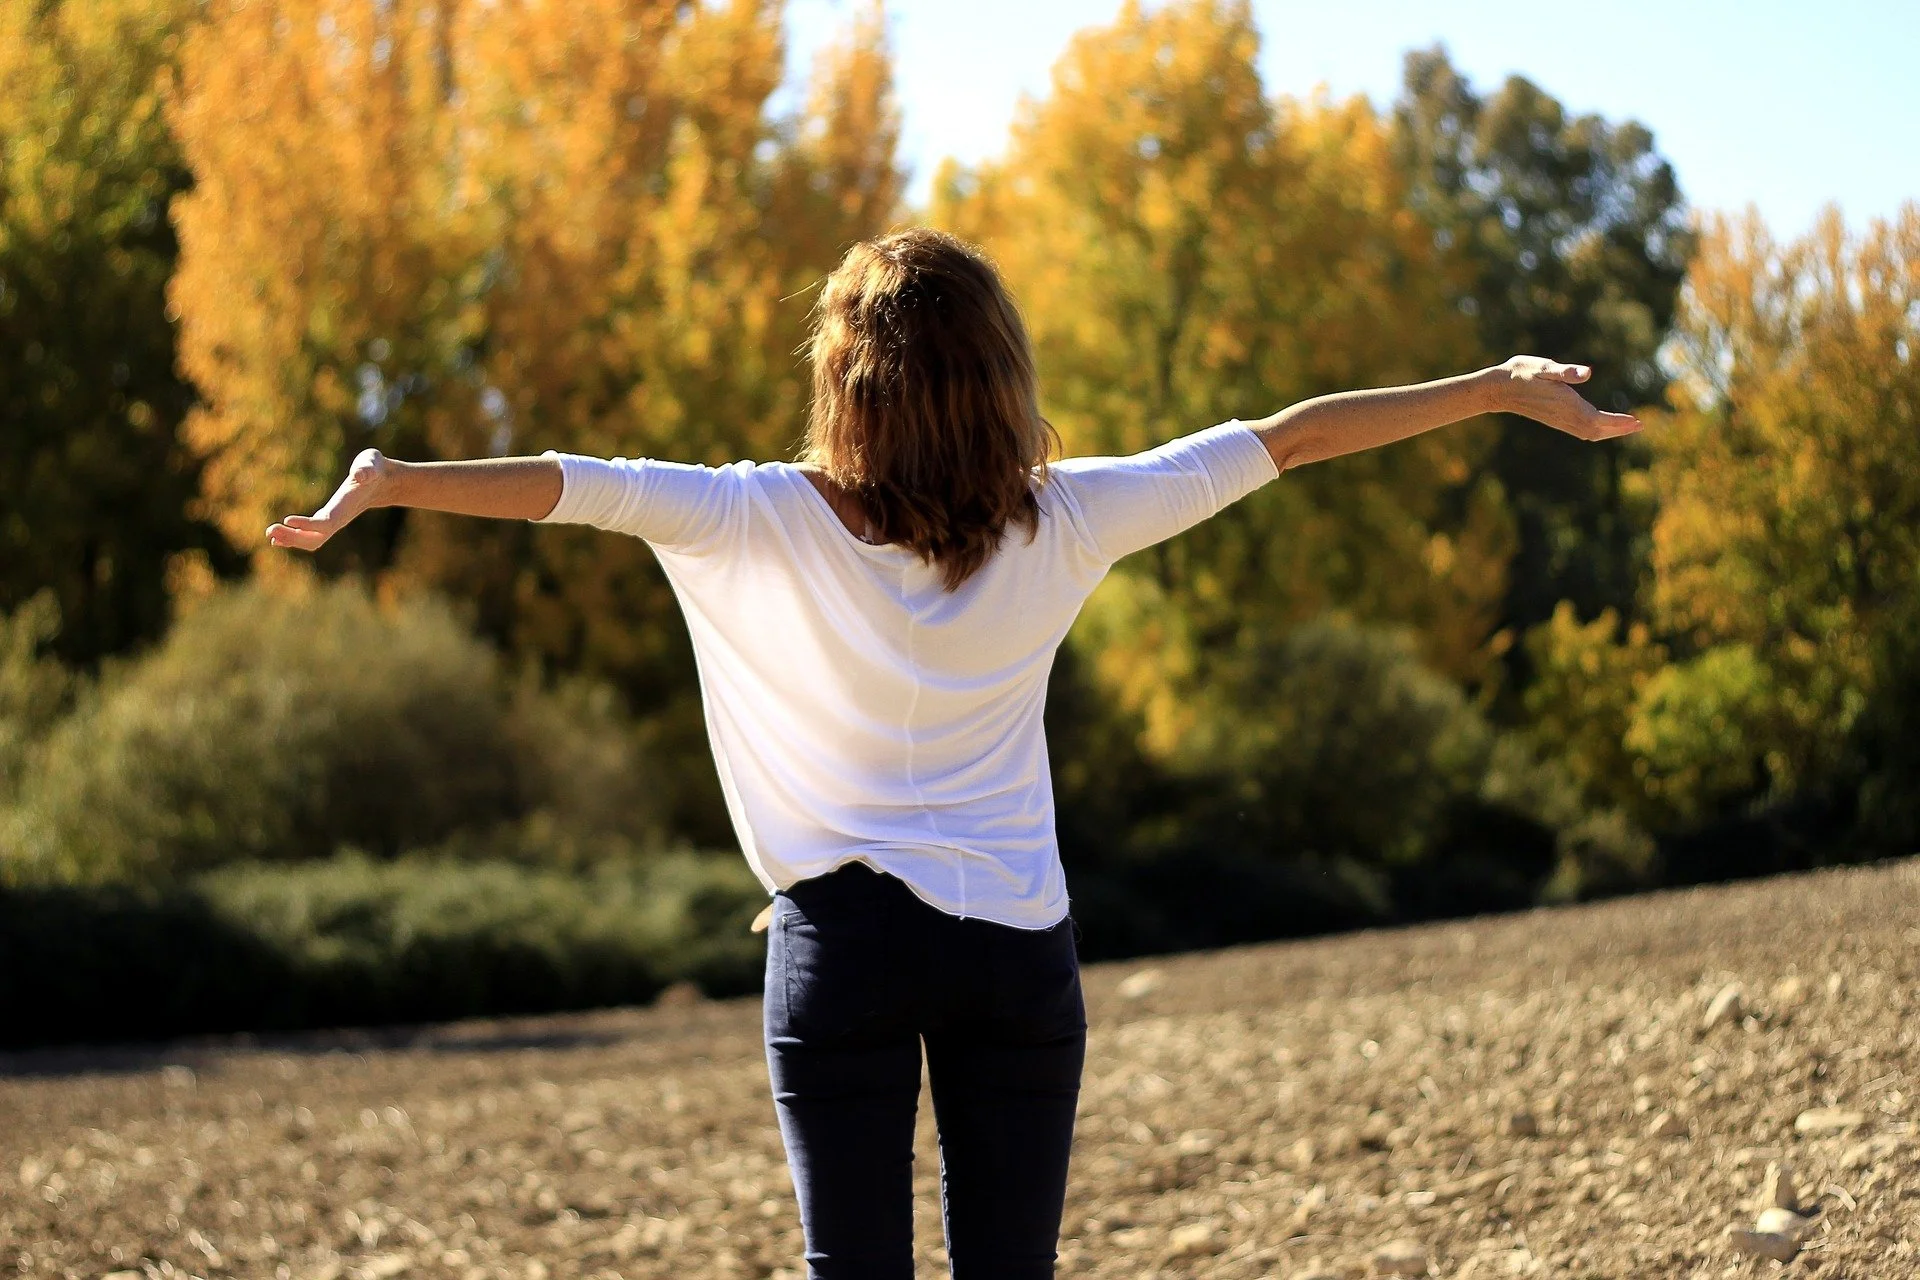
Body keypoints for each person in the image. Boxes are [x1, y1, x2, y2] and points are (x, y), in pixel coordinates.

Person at [266, 227, 1639, 1278]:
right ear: (1001, 381)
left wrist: (392, 483)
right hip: (1017, 953)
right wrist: (1497, 390)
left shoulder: (752, 518)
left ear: (842, 381)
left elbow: (570, 483)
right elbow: (1291, 439)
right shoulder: (1073, 518)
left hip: (843, 950)